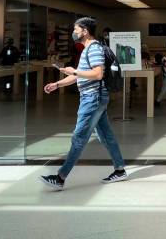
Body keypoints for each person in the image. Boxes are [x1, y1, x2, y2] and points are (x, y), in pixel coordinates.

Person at [39, 17, 127, 190]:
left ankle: (60, 177)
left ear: (85, 31)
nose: (74, 32)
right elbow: (80, 75)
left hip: (92, 98)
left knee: (79, 137)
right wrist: (57, 84)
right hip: (95, 97)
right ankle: (120, 169)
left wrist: (75, 70)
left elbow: (97, 74)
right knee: (106, 136)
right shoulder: (88, 49)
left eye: (76, 29)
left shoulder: (93, 49)